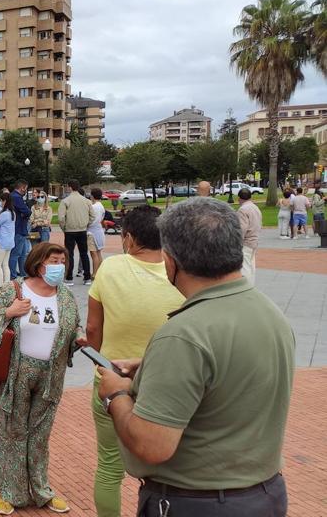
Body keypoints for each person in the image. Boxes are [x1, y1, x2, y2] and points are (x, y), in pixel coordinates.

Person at [97, 198, 295, 517]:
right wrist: (151, 368)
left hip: (196, 502)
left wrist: (115, 394)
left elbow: (152, 444)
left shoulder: (184, 334)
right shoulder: (270, 313)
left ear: (171, 260)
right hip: (264, 494)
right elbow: (227, 379)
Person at [78, 207, 185, 517]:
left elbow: (93, 328)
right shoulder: (181, 273)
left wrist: (99, 362)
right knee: (167, 470)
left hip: (112, 383)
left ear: (129, 237)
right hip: (166, 386)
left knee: (109, 466)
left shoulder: (110, 269)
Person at [0, 242, 79, 515]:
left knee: (40, 436)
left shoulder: (65, 296)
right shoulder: (14, 290)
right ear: (38, 262)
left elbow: (72, 327)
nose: (58, 266)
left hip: (50, 375)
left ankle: (42, 490)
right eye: (53, 261)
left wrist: (80, 338)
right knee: (12, 432)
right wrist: (9, 313)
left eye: (62, 261)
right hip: (16, 373)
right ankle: (10, 493)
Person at [59, 180, 95, 286]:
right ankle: (87, 277)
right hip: (82, 230)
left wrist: (64, 227)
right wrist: (86, 224)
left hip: (70, 230)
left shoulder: (65, 201)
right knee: (84, 254)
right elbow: (92, 216)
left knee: (69, 254)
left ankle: (69, 277)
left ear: (70, 188)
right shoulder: (86, 201)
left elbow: (61, 218)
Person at [8, 181, 33, 279]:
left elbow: (25, 212)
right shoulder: (16, 197)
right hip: (19, 228)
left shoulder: (12, 196)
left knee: (22, 253)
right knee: (16, 254)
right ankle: (13, 276)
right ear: (22, 187)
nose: (26, 191)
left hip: (19, 229)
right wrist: (25, 213)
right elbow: (27, 211)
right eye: (25, 188)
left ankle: (23, 274)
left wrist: (25, 213)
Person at [237, 188, 262, 284]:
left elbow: (241, 229)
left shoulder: (243, 210)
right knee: (251, 265)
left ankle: (246, 285)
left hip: (246, 242)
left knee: (245, 267)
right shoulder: (255, 207)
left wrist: (237, 242)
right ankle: (251, 285)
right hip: (254, 240)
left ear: (239, 198)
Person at [0, 193, 15, 289]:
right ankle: (7, 286)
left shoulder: (4, 214)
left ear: (5, 201)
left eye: (2, 201)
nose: (1, 203)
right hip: (9, 242)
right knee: (5, 264)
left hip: (1, 242)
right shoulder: (13, 213)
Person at [87, 188, 107, 277]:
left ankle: (94, 273)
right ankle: (99, 272)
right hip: (99, 231)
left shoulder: (93, 207)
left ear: (92, 196)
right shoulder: (101, 206)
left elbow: (91, 220)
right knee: (98, 253)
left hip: (92, 231)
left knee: (93, 254)